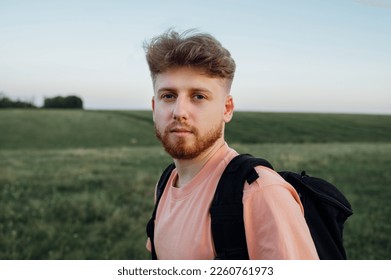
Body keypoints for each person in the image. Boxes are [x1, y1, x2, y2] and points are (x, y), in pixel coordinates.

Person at [144, 29, 319, 260]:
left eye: (198, 96)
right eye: (168, 96)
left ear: (226, 109)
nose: (179, 112)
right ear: (155, 108)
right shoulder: (166, 183)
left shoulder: (260, 193)